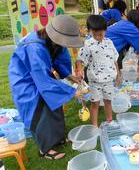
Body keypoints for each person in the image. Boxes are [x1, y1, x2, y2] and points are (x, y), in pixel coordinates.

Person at [8, 15, 84, 160]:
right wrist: (72, 91)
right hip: (25, 80)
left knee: (55, 103)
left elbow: (60, 59)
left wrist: (69, 76)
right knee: (39, 110)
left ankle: (59, 138)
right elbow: (42, 80)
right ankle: (45, 149)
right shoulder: (34, 47)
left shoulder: (53, 41)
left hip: (41, 74)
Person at [76, 15, 119, 127]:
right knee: (95, 103)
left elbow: (115, 59)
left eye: (101, 34)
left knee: (108, 101)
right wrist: (80, 69)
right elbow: (80, 59)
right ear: (89, 31)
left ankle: (109, 121)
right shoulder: (87, 44)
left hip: (109, 79)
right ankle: (94, 126)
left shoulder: (109, 42)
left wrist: (118, 74)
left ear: (105, 30)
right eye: (95, 34)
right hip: (95, 81)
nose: (98, 37)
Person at [105, 10, 139, 74]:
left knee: (114, 69)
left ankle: (118, 78)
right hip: (110, 48)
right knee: (114, 70)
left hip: (108, 46)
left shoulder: (123, 23)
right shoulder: (129, 26)